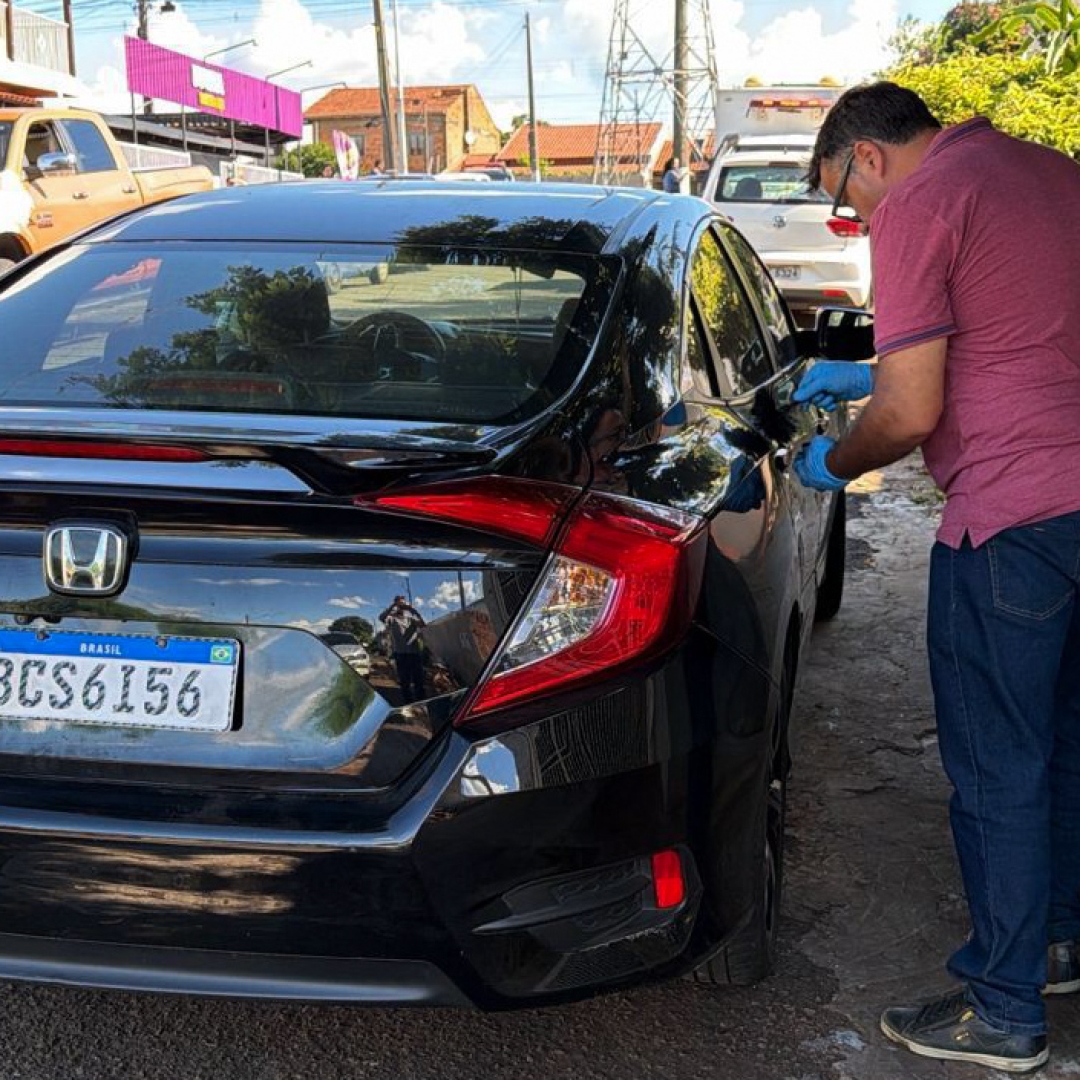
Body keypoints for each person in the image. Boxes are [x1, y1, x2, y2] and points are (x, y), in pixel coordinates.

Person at [792, 81, 1080, 1072]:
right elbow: (1013, 328)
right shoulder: (1049, 171)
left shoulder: (920, 199)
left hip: (1012, 521)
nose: (854, 220)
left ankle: (1003, 1011)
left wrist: (836, 459)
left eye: (843, 199)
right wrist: (866, 366)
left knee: (998, 764)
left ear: (868, 156)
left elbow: (910, 413)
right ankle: (1056, 941)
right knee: (1066, 740)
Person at [378, 595, 426, 703]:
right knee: (405, 681)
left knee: (418, 679)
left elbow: (423, 625)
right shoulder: (391, 618)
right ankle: (408, 702)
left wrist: (413, 610)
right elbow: (381, 618)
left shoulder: (411, 618)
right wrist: (392, 607)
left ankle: (422, 700)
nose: (401, 606)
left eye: (403, 604)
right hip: (401, 654)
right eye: (399, 604)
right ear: (395, 605)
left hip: (415, 653)